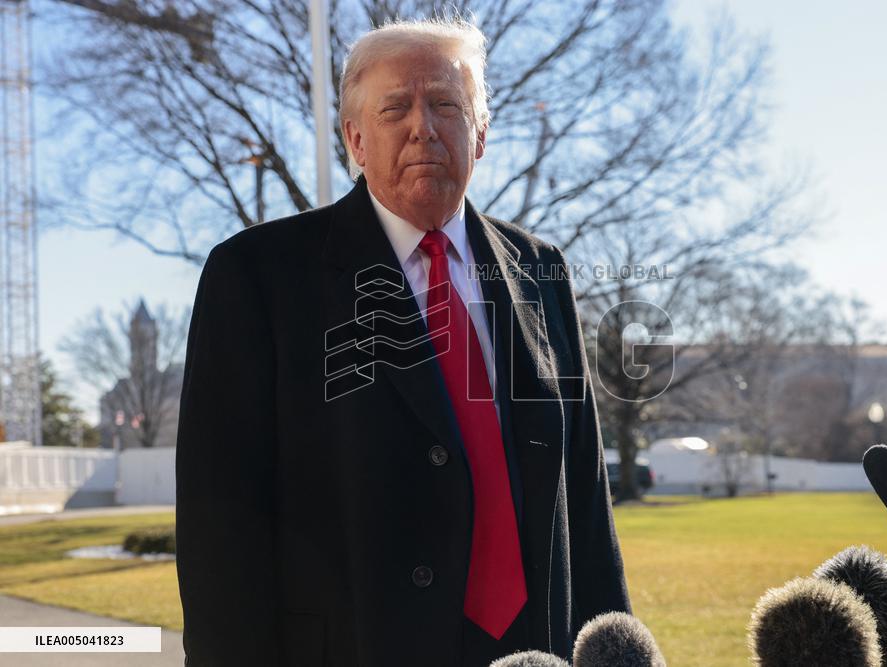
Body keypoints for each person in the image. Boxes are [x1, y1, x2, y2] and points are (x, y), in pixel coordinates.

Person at [175, 17, 630, 667]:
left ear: (480, 133)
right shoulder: (255, 276)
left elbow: (584, 498)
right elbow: (219, 525)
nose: (423, 125)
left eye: (446, 104)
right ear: (355, 140)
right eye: (395, 108)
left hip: (538, 650)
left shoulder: (541, 269)